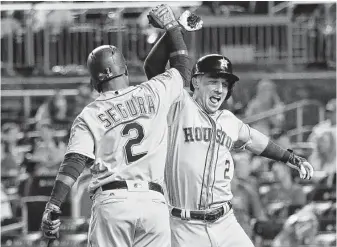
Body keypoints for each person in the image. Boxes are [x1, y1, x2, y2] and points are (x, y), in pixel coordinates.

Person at [143, 30, 314, 247]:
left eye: (225, 84)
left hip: (225, 222)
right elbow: (152, 69)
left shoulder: (229, 120)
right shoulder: (179, 106)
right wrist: (170, 31)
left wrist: (291, 158)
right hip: (184, 226)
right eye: (213, 81)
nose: (219, 89)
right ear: (196, 82)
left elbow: (254, 140)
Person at [41, 4, 193, 247]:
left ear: (94, 82)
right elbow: (183, 69)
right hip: (153, 203)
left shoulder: (89, 113)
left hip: (113, 202)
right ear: (124, 70)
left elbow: (74, 162)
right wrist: (172, 27)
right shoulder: (152, 92)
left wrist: (54, 204)